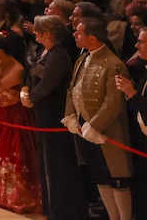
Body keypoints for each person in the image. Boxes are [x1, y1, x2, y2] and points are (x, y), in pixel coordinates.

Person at [68, 15, 132, 220]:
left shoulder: (114, 64)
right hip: (84, 129)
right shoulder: (81, 59)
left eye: (79, 32)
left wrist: (94, 125)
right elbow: (72, 89)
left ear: (92, 38)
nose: (74, 35)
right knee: (100, 177)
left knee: (117, 179)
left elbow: (113, 102)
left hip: (107, 132)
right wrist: (70, 116)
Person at [0, 32, 41, 213]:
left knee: (16, 156)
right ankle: (3, 196)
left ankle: (20, 198)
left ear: (0, 51)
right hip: (2, 113)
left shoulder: (18, 69)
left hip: (16, 115)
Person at [29, 15, 82, 220]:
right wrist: (26, 89)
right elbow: (32, 74)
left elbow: (47, 86)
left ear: (48, 34)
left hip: (54, 116)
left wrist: (30, 97)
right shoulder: (45, 51)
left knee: (57, 165)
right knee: (46, 163)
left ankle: (62, 211)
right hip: (43, 117)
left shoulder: (58, 55)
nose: (34, 32)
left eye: (38, 29)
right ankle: (50, 208)